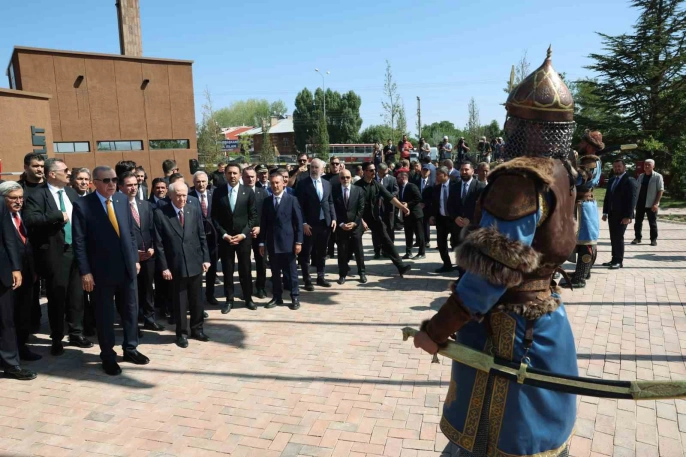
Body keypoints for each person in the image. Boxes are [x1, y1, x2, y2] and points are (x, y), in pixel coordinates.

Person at [413, 48, 580, 457]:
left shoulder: (519, 182)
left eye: (512, 122)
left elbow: (492, 273)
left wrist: (436, 330)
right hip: (544, 319)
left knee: (496, 439)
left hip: (510, 333)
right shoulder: (563, 172)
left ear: (522, 126)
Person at [72, 166, 148, 376]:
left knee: (130, 311)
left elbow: (130, 233)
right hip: (101, 272)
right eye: (106, 180)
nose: (112, 184)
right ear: (94, 182)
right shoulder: (83, 205)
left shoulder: (122, 200)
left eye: (114, 179)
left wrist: (134, 259)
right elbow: (79, 242)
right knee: (105, 316)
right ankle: (108, 355)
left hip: (126, 268)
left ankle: (131, 348)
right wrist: (85, 272)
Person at [24, 159, 92, 355]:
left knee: (77, 295)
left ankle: (76, 333)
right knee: (57, 296)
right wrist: (56, 216)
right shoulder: (37, 195)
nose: (68, 173)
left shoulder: (71, 193)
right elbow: (31, 220)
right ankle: (56, 338)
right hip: (55, 253)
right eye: (65, 170)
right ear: (52, 174)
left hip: (76, 250)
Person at [153, 182, 210, 347]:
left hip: (195, 262)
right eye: (178, 195)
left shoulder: (193, 210)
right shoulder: (160, 214)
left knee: (197, 300)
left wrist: (206, 259)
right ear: (170, 196)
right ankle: (181, 334)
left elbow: (201, 235)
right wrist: (164, 267)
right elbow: (159, 244)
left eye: (184, 195)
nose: (182, 198)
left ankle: (197, 329)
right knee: (179, 302)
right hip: (175, 265)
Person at [118, 172, 164, 332]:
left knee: (148, 289)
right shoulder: (117, 207)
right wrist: (133, 253)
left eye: (135, 185)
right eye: (129, 185)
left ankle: (149, 318)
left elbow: (153, 229)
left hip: (148, 255)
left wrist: (152, 247)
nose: (133, 188)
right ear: (121, 187)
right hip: (129, 257)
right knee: (131, 291)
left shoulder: (145, 205)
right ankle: (132, 322)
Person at [0, 182, 40, 361]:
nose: (18, 201)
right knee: (8, 315)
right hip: (8, 274)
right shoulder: (3, 218)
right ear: (3, 198)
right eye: (13, 198)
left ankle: (22, 347)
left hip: (27, 271)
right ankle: (9, 353)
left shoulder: (23, 215)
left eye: (21, 198)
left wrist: (33, 269)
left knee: (24, 312)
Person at [212, 162, 257, 313]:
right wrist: (224, 234)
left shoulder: (248, 192)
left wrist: (243, 234)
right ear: (225, 174)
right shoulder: (218, 192)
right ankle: (229, 300)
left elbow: (252, 216)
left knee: (245, 269)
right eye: (229, 173)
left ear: (240, 175)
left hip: (243, 238)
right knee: (228, 270)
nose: (232, 176)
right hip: (226, 239)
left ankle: (248, 298)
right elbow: (214, 217)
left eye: (235, 173)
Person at [355, 162, 411, 277]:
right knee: (355, 243)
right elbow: (354, 206)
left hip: (374, 218)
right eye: (371, 170)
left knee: (387, 240)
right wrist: (361, 221)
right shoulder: (357, 186)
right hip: (359, 218)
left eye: (374, 170)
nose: (374, 172)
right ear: (364, 172)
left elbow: (390, 197)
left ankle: (401, 266)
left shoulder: (376, 184)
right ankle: (360, 271)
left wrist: (402, 207)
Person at [259, 170, 303, 310]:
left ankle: (295, 297)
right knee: (275, 273)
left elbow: (298, 222)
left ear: (284, 183)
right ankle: (277, 297)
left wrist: (299, 242)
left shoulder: (292, 200)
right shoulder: (267, 201)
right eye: (272, 183)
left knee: (291, 272)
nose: (275, 186)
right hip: (272, 243)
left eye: (277, 183)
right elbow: (263, 224)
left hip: (289, 243)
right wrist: (261, 242)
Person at [566, 130, 604, 288]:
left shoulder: (590, 161)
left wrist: (569, 164)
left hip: (583, 205)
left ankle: (580, 277)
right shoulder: (591, 160)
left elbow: (579, 179)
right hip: (585, 204)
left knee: (586, 241)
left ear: (589, 146)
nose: (580, 144)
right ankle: (583, 272)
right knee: (585, 239)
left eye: (583, 142)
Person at [295, 158, 336, 290]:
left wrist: (333, 218)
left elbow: (330, 202)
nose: (313, 170)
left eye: (316, 167)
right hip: (309, 225)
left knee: (322, 252)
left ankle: (320, 277)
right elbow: (298, 206)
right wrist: (303, 223)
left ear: (322, 169)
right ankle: (307, 279)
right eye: (312, 167)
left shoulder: (327, 184)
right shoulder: (303, 184)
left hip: (325, 224)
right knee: (306, 253)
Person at [189, 171, 219, 305]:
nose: (201, 184)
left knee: (212, 268)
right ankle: (196, 299)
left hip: (213, 238)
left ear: (208, 182)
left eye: (203, 181)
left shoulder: (214, 194)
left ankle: (210, 294)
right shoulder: (189, 197)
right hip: (196, 239)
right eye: (198, 182)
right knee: (197, 270)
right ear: (193, 183)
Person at [602, 159, 638, 269]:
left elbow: (632, 200)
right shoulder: (612, 180)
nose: (617, 168)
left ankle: (619, 261)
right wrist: (605, 212)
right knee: (613, 237)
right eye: (615, 167)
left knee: (618, 237)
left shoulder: (630, 180)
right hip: (612, 214)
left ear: (624, 167)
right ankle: (614, 259)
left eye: (619, 166)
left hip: (623, 215)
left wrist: (628, 216)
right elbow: (608, 197)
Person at [332, 168, 366, 284]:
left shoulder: (358, 190)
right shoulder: (334, 191)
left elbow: (361, 208)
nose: (345, 179)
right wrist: (341, 224)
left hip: (355, 226)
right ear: (339, 179)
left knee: (358, 250)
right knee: (342, 251)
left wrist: (355, 222)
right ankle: (342, 274)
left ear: (351, 178)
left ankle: (362, 273)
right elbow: (333, 209)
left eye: (347, 177)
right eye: (342, 178)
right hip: (341, 226)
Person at [242, 167, 269, 299]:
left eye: (252, 176)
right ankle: (247, 290)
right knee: (245, 263)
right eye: (247, 176)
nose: (250, 179)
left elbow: (266, 214)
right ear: (243, 178)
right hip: (243, 233)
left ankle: (260, 287)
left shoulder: (263, 193)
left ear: (256, 177)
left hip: (260, 234)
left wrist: (259, 227)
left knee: (261, 262)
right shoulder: (238, 193)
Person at [429, 166, 458, 273]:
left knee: (457, 243)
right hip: (441, 219)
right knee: (441, 243)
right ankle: (447, 264)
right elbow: (435, 203)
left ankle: (462, 266)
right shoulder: (436, 188)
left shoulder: (455, 186)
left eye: (438, 174)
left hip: (454, 220)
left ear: (445, 175)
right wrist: (432, 215)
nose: (436, 177)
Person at [633, 158, 664, 246]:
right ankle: (637, 238)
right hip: (640, 203)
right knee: (638, 222)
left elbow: (660, 190)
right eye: (645, 164)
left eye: (648, 165)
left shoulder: (658, 176)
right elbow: (636, 188)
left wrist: (656, 203)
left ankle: (653, 240)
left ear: (653, 166)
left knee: (652, 223)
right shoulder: (641, 176)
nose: (646, 166)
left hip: (651, 204)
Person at [397, 172, 425, 260]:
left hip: (416, 214)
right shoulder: (400, 188)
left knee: (419, 234)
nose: (397, 180)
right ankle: (408, 252)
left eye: (398, 178)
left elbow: (418, 198)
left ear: (403, 178)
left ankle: (421, 253)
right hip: (407, 215)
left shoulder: (412, 186)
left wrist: (408, 204)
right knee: (408, 234)